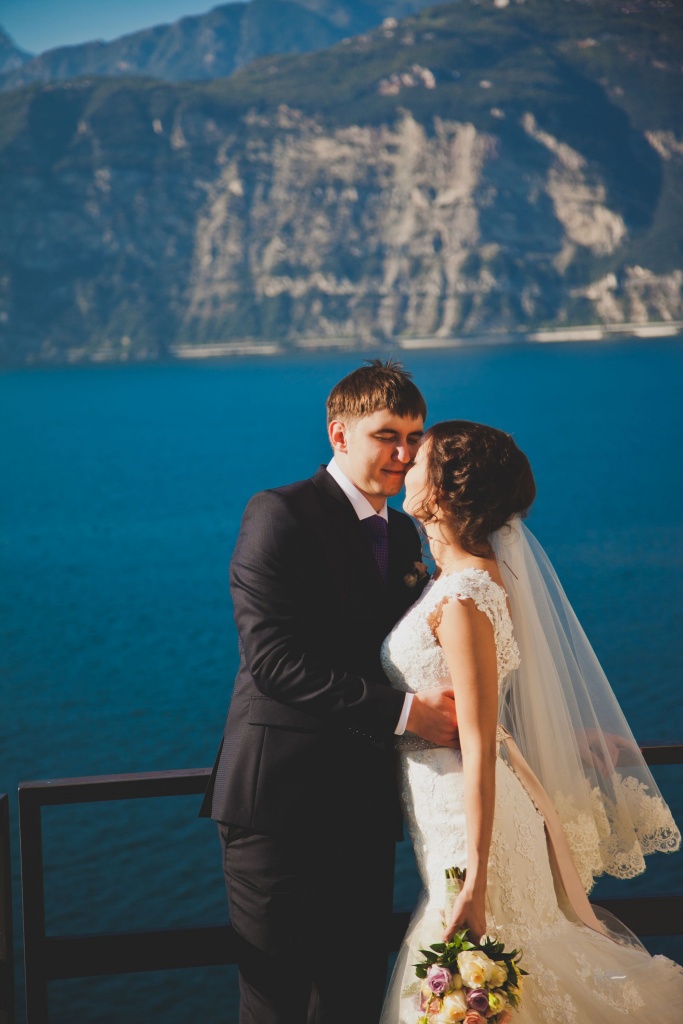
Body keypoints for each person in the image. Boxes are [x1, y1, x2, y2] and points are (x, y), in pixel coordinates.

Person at [380, 419, 683, 1024]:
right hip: (444, 814)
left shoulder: (465, 597)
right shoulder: (463, 580)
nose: (405, 461)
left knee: (490, 975)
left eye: (419, 458)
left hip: (469, 823)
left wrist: (475, 883)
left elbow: (478, 743)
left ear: (441, 491)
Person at [200, 361, 459, 1024]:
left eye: (414, 437)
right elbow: (273, 663)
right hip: (277, 809)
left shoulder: (402, 532)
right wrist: (410, 715)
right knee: (276, 1005)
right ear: (339, 435)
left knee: (350, 1002)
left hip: (364, 811)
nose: (404, 454)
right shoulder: (279, 513)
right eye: (386, 436)